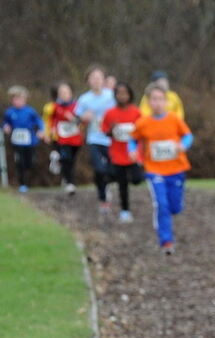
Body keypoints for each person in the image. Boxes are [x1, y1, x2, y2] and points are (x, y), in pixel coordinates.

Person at [130, 84, 192, 254]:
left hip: (176, 169)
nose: (157, 103)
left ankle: (175, 207)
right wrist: (132, 151)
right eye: (154, 100)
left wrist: (183, 145)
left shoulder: (174, 119)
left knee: (175, 207)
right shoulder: (143, 123)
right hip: (154, 170)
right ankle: (166, 241)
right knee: (161, 204)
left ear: (166, 102)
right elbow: (133, 139)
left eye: (160, 99)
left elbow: (188, 135)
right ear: (149, 103)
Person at [74, 65, 116, 213]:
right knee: (99, 169)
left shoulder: (112, 96)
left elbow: (122, 112)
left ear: (104, 80)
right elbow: (76, 118)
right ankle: (103, 198)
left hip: (112, 139)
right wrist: (83, 118)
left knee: (112, 170)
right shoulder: (84, 99)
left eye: (99, 77)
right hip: (94, 139)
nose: (96, 80)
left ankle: (107, 185)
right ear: (88, 81)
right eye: (93, 78)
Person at [101, 82, 144, 222]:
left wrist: (138, 149)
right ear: (115, 95)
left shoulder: (136, 112)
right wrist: (111, 130)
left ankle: (115, 181)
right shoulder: (110, 113)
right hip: (117, 154)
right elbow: (104, 131)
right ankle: (125, 211)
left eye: (125, 93)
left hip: (133, 155)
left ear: (130, 95)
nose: (122, 96)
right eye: (119, 93)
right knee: (122, 184)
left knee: (137, 179)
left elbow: (143, 131)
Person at [2, 86, 44, 192]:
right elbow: (5, 122)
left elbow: (39, 121)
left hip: (30, 141)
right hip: (17, 141)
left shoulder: (30, 111)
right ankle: (22, 184)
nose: (19, 101)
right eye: (16, 99)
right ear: (12, 100)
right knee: (19, 162)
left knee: (29, 162)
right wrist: (6, 127)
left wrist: (40, 130)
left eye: (21, 99)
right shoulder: (9, 112)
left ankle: (29, 181)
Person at [50, 82, 83, 195]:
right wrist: (52, 129)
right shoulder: (55, 106)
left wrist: (73, 119)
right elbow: (51, 119)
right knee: (66, 158)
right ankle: (70, 183)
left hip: (75, 138)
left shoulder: (77, 105)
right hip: (62, 138)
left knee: (71, 160)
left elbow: (81, 120)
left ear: (71, 93)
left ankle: (65, 174)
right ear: (58, 95)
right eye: (61, 93)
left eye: (66, 92)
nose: (64, 95)